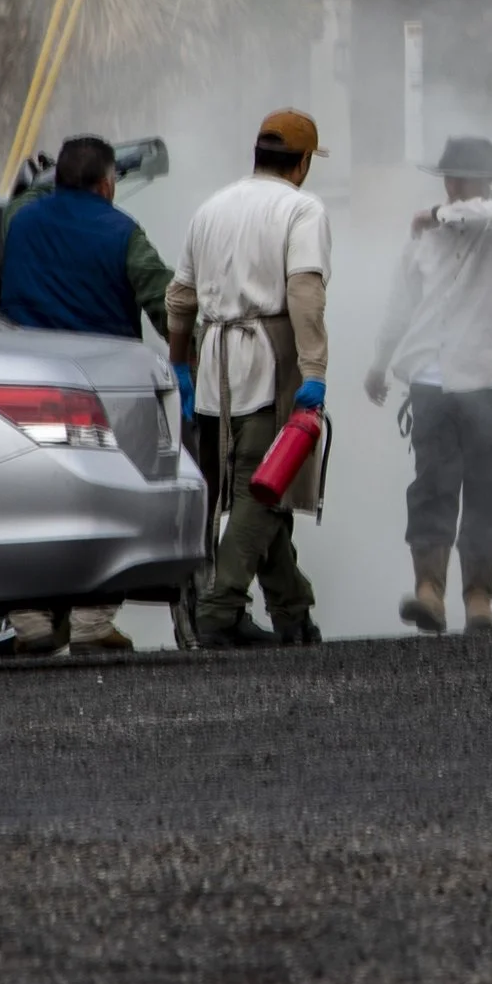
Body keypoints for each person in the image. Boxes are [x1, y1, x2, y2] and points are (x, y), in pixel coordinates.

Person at [0, 133, 175, 655]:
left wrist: (44, 176)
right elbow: (163, 301)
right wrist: (188, 352)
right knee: (111, 496)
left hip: (26, 382)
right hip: (104, 389)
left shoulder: (21, 222)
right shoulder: (124, 232)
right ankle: (93, 620)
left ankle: (31, 618)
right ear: (106, 183)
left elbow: (26, 196)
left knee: (31, 494)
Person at [165, 110, 334, 647]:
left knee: (261, 486)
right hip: (267, 365)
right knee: (258, 494)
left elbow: (179, 298)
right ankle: (220, 610)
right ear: (303, 163)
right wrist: (315, 373)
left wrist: (181, 364)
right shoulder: (302, 208)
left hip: (215, 367)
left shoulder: (211, 207)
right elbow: (305, 292)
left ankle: (292, 612)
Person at [365, 136, 492, 636]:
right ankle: (429, 592)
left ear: (483, 180)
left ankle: (479, 598)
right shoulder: (426, 236)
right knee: (432, 487)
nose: (452, 186)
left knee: (489, 492)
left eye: (459, 177)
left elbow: (483, 215)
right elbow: (401, 302)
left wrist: (436, 215)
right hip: (431, 382)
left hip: (491, 379)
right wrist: (380, 361)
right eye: (448, 177)